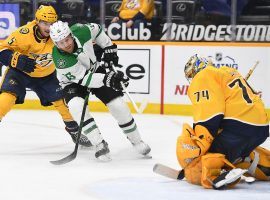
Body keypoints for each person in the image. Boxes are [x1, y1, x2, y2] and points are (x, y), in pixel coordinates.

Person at [49, 20, 151, 161]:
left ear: (71, 35)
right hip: (74, 82)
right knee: (76, 106)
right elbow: (86, 80)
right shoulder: (60, 59)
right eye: (61, 43)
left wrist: (108, 47)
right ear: (56, 44)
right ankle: (99, 144)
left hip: (95, 69)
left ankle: (137, 141)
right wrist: (110, 79)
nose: (66, 44)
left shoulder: (81, 30)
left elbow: (97, 29)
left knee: (118, 105)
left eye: (67, 39)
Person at [0, 5, 91, 147]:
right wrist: (16, 60)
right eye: (45, 23)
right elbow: (2, 50)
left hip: (47, 75)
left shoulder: (60, 33)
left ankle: (73, 131)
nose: (49, 27)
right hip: (21, 73)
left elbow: (78, 42)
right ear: (37, 21)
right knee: (7, 97)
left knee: (63, 102)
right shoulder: (24, 33)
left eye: (51, 23)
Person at [176, 54, 270, 189]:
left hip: (239, 126)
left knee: (209, 157)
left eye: (192, 74)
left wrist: (201, 145)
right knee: (236, 153)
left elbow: (210, 115)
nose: (192, 78)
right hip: (261, 128)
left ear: (198, 67)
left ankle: (216, 174)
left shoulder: (204, 76)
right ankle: (263, 164)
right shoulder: (228, 71)